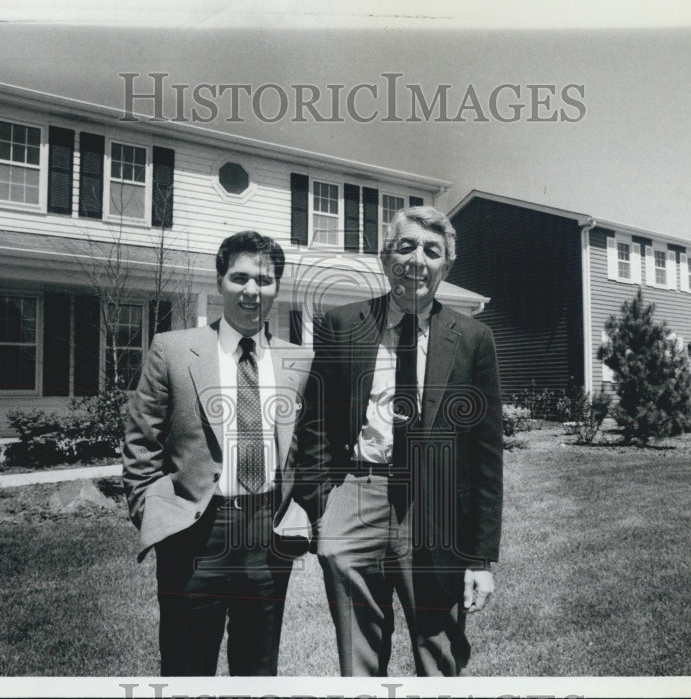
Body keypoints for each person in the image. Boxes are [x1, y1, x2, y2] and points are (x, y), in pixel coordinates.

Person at [295, 205, 504, 676]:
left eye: (432, 251)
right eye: (406, 246)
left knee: (439, 650)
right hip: (357, 492)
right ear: (385, 257)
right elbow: (314, 422)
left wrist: (481, 557)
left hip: (436, 507)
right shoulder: (344, 324)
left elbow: (487, 456)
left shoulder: (473, 339)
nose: (417, 260)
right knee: (358, 654)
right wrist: (319, 503)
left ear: (446, 266)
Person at [123, 231, 313, 676]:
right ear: (220, 281)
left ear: (277, 288)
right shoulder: (173, 350)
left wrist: (299, 508)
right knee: (186, 666)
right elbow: (140, 440)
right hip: (194, 533)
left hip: (268, 536)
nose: (252, 291)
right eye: (240, 277)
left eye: (264, 280)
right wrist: (155, 512)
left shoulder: (298, 361)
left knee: (258, 668)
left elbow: (308, 446)